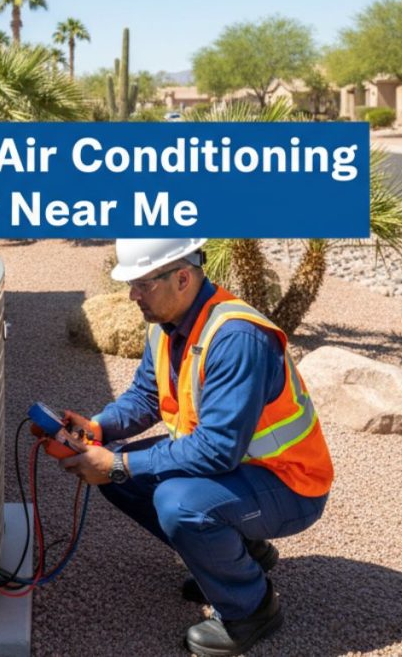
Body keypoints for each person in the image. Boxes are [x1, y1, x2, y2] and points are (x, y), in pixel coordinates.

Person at [59, 238, 333, 656]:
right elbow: (146, 397)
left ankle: (252, 608)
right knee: (120, 478)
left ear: (183, 277)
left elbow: (218, 449)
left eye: (141, 284)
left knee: (177, 501)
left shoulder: (236, 338)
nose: (132, 295)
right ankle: (242, 556)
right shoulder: (167, 323)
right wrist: (99, 427)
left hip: (291, 484)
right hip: (242, 472)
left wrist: (118, 461)